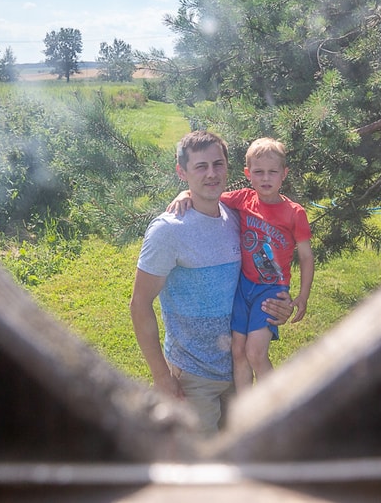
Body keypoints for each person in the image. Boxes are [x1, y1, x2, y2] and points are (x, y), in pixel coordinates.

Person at [130, 130, 294, 434]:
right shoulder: (168, 231)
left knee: (240, 450)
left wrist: (279, 306)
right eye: (200, 166)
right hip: (192, 379)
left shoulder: (238, 217)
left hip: (238, 370)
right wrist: (162, 376)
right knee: (199, 457)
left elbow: (264, 274)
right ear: (182, 172)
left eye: (218, 164)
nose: (211, 174)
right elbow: (139, 304)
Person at [169, 137, 315, 391]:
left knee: (255, 352)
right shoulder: (243, 199)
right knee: (238, 351)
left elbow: (306, 256)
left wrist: (303, 295)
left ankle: (275, 402)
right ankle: (245, 405)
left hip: (271, 290)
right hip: (243, 287)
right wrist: (184, 194)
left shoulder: (295, 213)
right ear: (248, 174)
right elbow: (207, 195)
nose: (265, 178)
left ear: (284, 174)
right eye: (258, 172)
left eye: (272, 172)